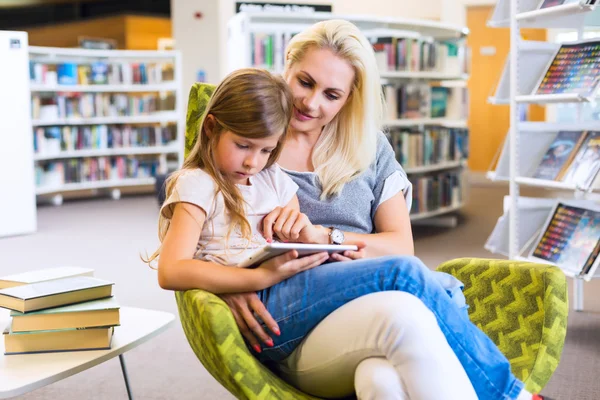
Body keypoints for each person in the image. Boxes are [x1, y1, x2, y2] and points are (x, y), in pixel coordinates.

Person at [214, 20, 550, 400]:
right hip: (296, 330)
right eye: (304, 82)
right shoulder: (250, 144)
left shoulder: (370, 148)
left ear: (349, 97)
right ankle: (512, 396)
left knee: (383, 381)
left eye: (332, 94)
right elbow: (197, 229)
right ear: (286, 67)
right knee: (411, 300)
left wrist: (323, 237)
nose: (311, 103)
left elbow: (399, 245)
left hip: (373, 309)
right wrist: (230, 284)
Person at [149, 66, 478, 398]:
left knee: (382, 380)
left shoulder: (271, 177)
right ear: (211, 127)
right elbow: (172, 269)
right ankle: (508, 392)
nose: (253, 162)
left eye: (266, 150)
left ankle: (442, 295)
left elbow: (293, 228)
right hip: (273, 302)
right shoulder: (197, 185)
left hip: (296, 283)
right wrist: (257, 279)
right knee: (411, 275)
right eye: (244, 146)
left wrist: (306, 235)